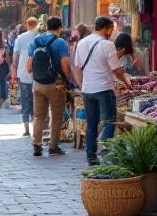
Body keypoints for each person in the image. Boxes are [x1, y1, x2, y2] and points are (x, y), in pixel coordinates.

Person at [73, 16, 133, 167]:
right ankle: (106, 153)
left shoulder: (82, 43)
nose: (111, 32)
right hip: (104, 89)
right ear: (106, 28)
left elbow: (77, 67)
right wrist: (127, 83)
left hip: (88, 90)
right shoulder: (107, 45)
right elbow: (117, 70)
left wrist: (81, 86)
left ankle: (91, 156)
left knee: (92, 124)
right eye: (111, 29)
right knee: (109, 122)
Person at [26, 17, 73, 156]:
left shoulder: (35, 41)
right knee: (56, 116)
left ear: (46, 27)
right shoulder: (61, 43)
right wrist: (68, 80)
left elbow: (28, 67)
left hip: (38, 84)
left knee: (39, 116)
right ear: (60, 28)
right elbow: (65, 65)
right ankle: (53, 147)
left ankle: (36, 145)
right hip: (55, 84)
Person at [11, 17, 40, 137]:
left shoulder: (21, 38)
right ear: (37, 24)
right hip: (38, 73)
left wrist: (14, 69)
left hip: (23, 72)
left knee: (25, 100)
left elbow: (15, 55)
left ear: (27, 25)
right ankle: (36, 128)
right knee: (36, 101)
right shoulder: (40, 37)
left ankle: (27, 129)